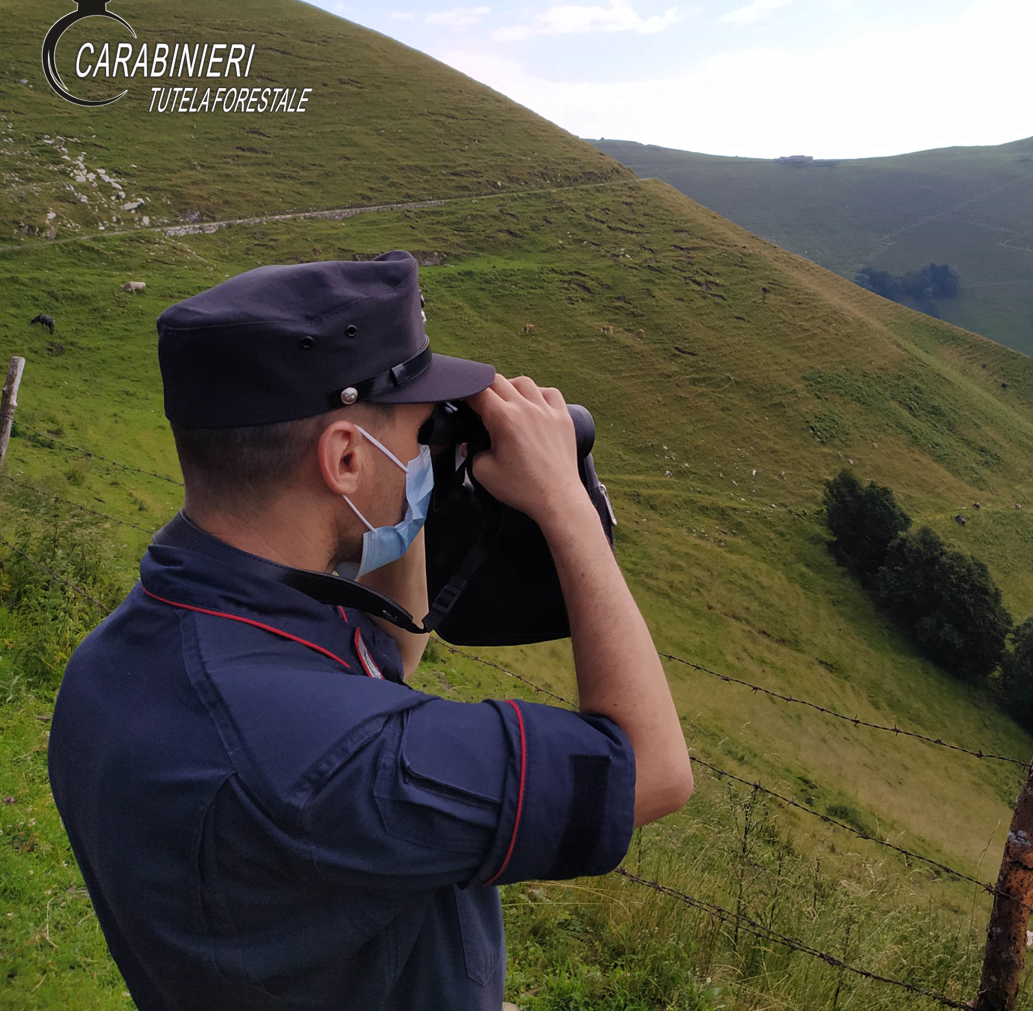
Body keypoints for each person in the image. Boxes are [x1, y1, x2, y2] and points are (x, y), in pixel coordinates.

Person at [47, 252, 693, 1010]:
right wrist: (562, 503)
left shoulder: (136, 649)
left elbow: (391, 651)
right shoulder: (335, 757)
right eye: (421, 431)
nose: (428, 450)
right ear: (346, 457)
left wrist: (410, 498)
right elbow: (653, 771)